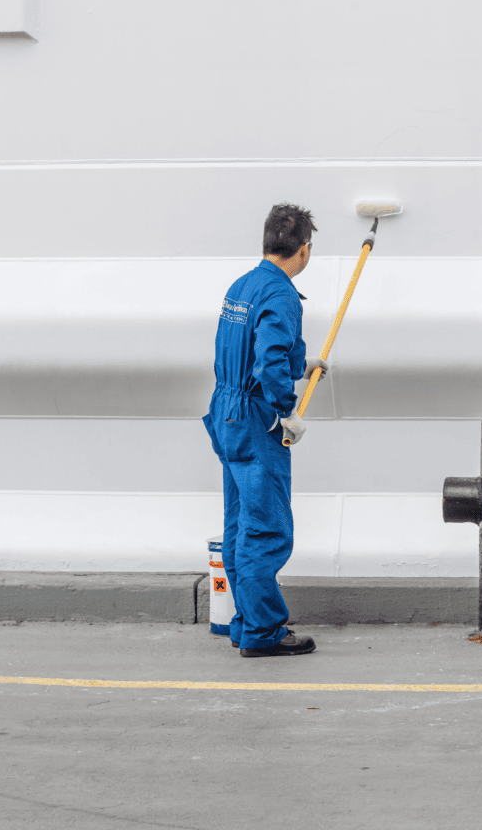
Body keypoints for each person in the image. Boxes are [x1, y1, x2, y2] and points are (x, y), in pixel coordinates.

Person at [202, 203, 329, 657]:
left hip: (226, 412)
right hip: (256, 421)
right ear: (305, 250)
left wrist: (303, 364)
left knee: (240, 523)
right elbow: (269, 362)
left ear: (264, 244)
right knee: (267, 530)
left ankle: (244, 619)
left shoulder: (243, 286)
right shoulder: (282, 295)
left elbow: (247, 348)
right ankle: (263, 632)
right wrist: (284, 413)